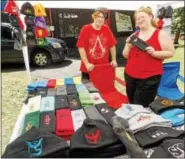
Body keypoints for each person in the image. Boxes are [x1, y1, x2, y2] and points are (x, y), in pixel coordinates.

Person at [122, 7, 175, 107]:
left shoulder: (160, 34)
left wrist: (155, 53)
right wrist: (128, 44)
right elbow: (125, 55)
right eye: (137, 19)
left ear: (150, 16)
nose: (140, 20)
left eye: (142, 17)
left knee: (141, 107)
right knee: (132, 103)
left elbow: (171, 52)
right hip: (130, 75)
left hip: (149, 79)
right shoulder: (135, 35)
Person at [76, 7, 117, 81]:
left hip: (103, 67)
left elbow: (112, 45)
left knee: (102, 90)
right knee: (87, 91)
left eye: (103, 17)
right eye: (98, 16)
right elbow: (81, 47)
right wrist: (87, 64)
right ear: (94, 16)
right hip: (88, 68)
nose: (100, 19)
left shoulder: (106, 29)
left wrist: (114, 60)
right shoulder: (86, 29)